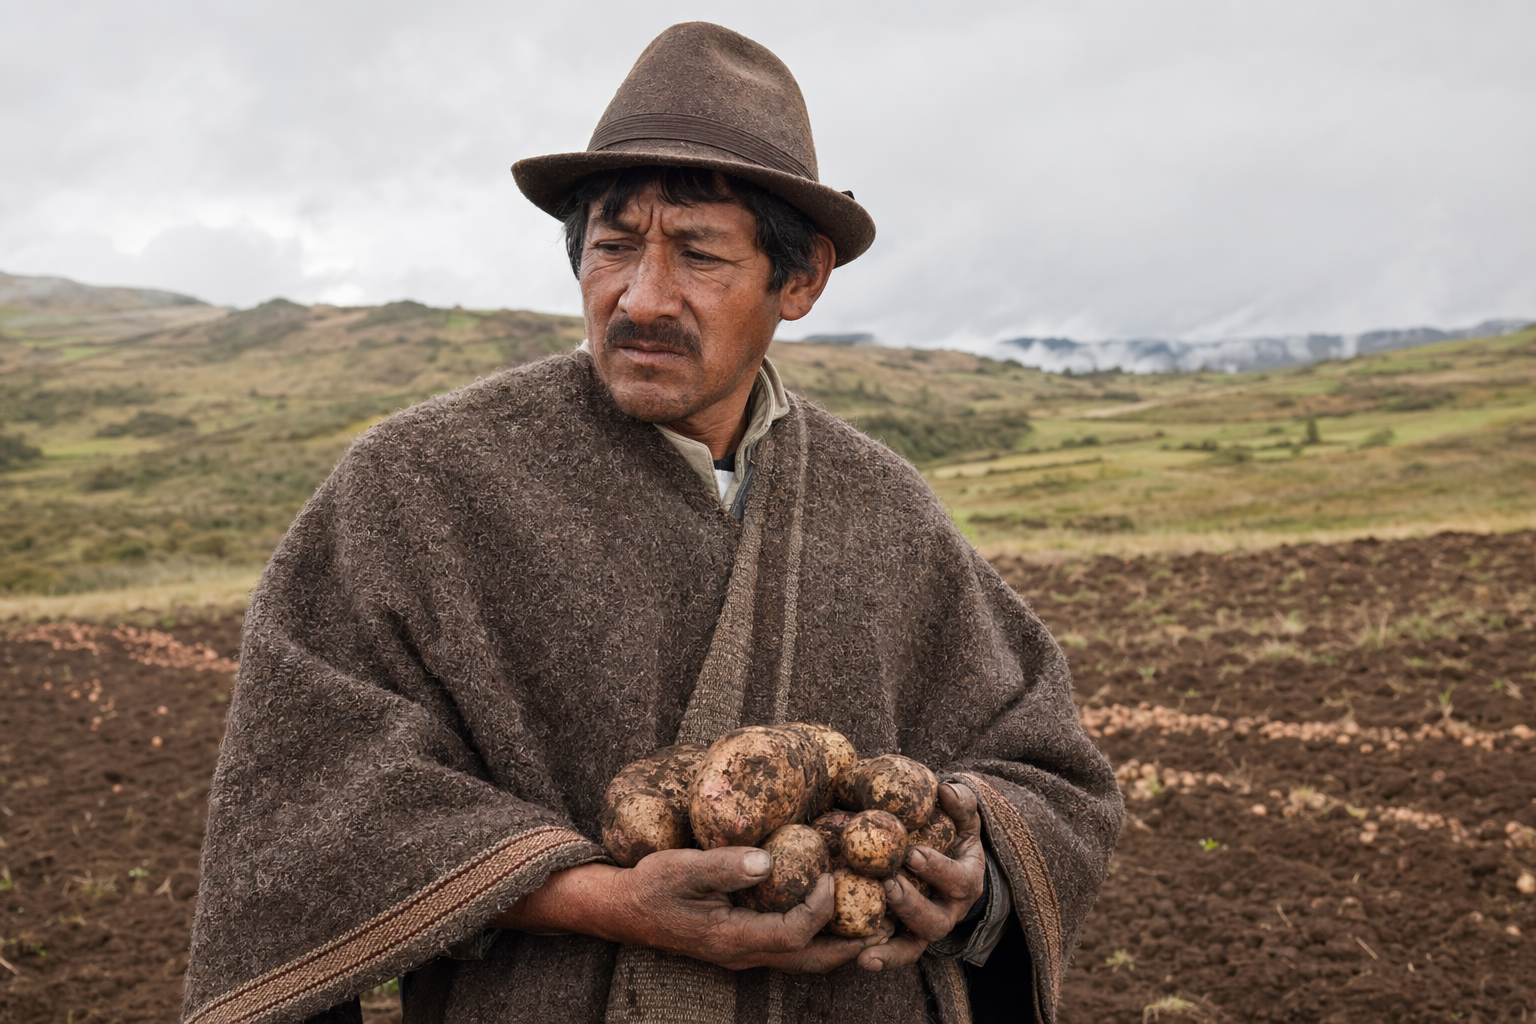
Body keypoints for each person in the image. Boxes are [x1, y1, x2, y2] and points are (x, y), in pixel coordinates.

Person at [182, 22, 1122, 1024]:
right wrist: (605, 901)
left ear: (797, 283)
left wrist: (973, 855)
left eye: (700, 254)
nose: (640, 296)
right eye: (613, 245)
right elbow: (315, 805)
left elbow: (1049, 767)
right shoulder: (421, 486)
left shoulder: (887, 510)